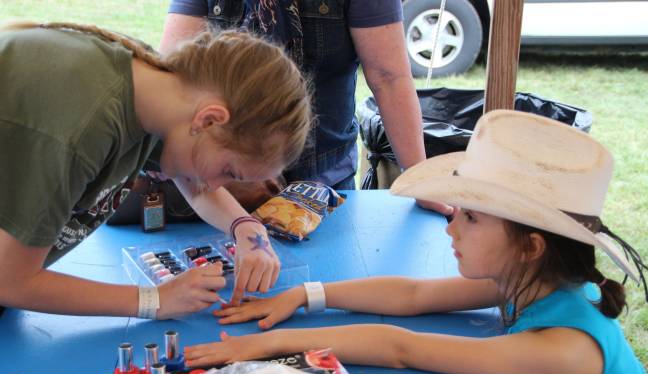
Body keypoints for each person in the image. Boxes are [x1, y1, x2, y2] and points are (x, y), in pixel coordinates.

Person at [184, 110, 648, 374]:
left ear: (531, 246)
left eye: (470, 217)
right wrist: (306, 293)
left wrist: (268, 343)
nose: (451, 225)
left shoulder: (566, 348)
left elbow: (399, 348)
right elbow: (413, 295)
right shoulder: (534, 277)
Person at [0, 22, 312, 319]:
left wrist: (246, 227)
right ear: (209, 120)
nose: (217, 185)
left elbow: (194, 182)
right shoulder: (78, 128)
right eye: (228, 170)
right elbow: (11, 281)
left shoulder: (156, 94)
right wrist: (154, 300)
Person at [154, 0, 452, 214]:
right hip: (226, 186)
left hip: (323, 183)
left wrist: (418, 177)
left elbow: (389, 77)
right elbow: (176, 68)